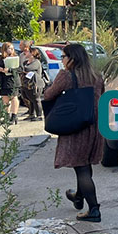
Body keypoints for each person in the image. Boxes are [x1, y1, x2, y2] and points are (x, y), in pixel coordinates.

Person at [43, 43, 105, 222]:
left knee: (82, 168)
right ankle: (78, 196)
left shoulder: (67, 76)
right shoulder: (96, 76)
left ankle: (94, 210)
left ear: (72, 59)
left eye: (63, 57)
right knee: (84, 164)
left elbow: (49, 95)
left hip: (76, 127)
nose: (62, 60)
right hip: (93, 126)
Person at [0, 42, 21, 125]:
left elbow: (19, 69)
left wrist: (9, 70)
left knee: (13, 97)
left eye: (12, 48)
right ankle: (6, 116)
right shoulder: (0, 58)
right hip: (3, 80)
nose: (11, 50)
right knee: (5, 98)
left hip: (12, 80)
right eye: (9, 48)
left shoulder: (16, 57)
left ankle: (14, 116)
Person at [21, 46, 47, 122]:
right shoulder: (25, 62)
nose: (25, 53)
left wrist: (24, 70)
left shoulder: (36, 62)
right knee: (29, 98)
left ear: (32, 53)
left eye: (27, 52)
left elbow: (27, 69)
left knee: (36, 99)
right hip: (26, 83)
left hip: (36, 84)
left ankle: (39, 115)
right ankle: (31, 114)